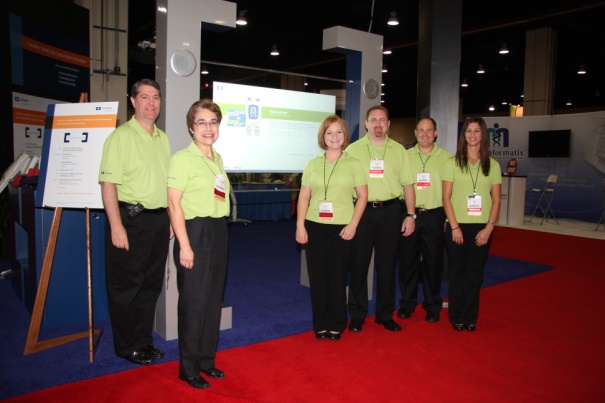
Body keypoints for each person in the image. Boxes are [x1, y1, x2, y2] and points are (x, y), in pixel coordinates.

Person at [98, 78, 171, 365]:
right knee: (126, 287)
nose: (151, 103)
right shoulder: (120, 137)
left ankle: (143, 340)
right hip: (130, 220)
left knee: (150, 285)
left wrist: (166, 220)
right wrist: (116, 226)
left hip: (157, 222)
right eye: (145, 97)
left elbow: (163, 184)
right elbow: (108, 184)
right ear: (133, 101)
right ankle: (127, 346)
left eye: (156, 97)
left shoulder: (162, 138)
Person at [167, 99, 230, 389]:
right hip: (194, 232)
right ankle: (188, 366)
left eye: (213, 121)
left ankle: (207, 360)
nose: (208, 127)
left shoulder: (217, 158)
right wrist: (185, 245)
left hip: (218, 230)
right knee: (194, 303)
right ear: (191, 127)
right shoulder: (182, 158)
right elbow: (173, 204)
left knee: (213, 300)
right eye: (202, 122)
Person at [296, 115, 368, 341]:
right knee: (318, 278)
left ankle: (336, 323)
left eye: (338, 132)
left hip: (342, 228)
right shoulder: (312, 164)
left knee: (336, 278)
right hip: (314, 226)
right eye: (329, 133)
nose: (334, 137)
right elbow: (304, 196)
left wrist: (353, 225)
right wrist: (300, 225)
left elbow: (363, 196)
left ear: (344, 136)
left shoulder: (354, 163)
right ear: (322, 137)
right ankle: (320, 323)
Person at [346, 105, 416, 332]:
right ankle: (357, 314)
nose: (377, 124)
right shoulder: (353, 150)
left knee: (387, 266)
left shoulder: (399, 151)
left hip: (391, 212)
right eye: (373, 120)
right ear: (366, 123)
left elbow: (408, 185)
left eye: (382, 120)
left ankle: (385, 314)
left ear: (388, 124)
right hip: (362, 212)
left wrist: (410, 215)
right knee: (359, 264)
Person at [442, 117, 501, 332]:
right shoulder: (452, 163)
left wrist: (489, 227)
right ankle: (456, 316)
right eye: (469, 130)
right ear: (463, 134)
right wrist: (455, 226)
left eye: (477, 131)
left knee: (475, 274)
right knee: (457, 273)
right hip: (457, 226)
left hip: (482, 227)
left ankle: (470, 317)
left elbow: (496, 199)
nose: (473, 135)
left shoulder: (492, 165)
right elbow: (446, 198)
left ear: (483, 134)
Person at [398, 117, 452, 323]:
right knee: (407, 262)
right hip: (409, 215)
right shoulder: (404, 156)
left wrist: (448, 216)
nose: (425, 134)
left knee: (434, 263)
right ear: (415, 133)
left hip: (435, 216)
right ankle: (407, 303)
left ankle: (432, 305)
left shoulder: (447, 158)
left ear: (436, 133)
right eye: (421, 130)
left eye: (429, 130)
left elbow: (451, 192)